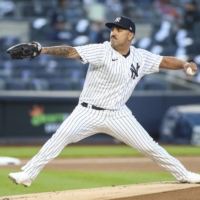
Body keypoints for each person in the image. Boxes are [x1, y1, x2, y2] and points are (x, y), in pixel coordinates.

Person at [8, 16, 200, 187]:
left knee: (150, 146)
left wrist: (184, 64)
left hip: (118, 114)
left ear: (130, 35)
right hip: (87, 111)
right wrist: (42, 50)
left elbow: (164, 61)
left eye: (119, 30)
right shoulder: (101, 51)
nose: (113, 33)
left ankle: (184, 174)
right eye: (112, 29)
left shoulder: (140, 57)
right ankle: (27, 174)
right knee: (59, 137)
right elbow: (71, 51)